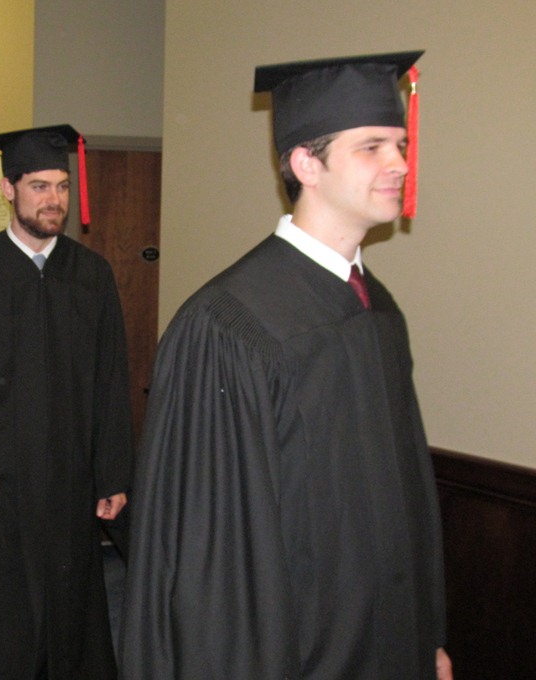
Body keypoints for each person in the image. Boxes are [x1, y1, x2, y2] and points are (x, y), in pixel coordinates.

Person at [120, 52, 453, 679]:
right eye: (373, 146)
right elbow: (214, 564)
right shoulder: (229, 324)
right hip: (299, 657)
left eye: (401, 144)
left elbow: (407, 501)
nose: (400, 164)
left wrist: (424, 637)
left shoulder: (377, 309)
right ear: (307, 163)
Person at [0, 124, 133, 679]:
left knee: (68, 620)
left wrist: (113, 473)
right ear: (8, 189)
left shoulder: (91, 275)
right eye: (39, 186)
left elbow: (111, 380)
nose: (54, 200)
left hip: (67, 483)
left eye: (62, 186)